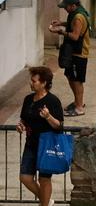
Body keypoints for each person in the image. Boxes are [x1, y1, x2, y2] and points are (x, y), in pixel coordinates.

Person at [17, 66, 64, 206]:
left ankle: (44, 203)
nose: (31, 83)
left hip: (46, 145)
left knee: (44, 180)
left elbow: (59, 126)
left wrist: (48, 117)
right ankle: (46, 201)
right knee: (25, 177)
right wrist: (21, 126)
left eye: (34, 81)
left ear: (43, 83)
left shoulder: (53, 101)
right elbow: (24, 119)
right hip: (31, 144)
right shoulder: (28, 99)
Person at [49, 0, 90, 116]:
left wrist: (60, 31)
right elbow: (71, 25)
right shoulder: (76, 13)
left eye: (66, 7)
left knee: (77, 80)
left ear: (73, 6)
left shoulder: (78, 17)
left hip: (79, 53)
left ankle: (79, 107)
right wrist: (61, 23)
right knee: (70, 76)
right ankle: (77, 101)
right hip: (72, 52)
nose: (65, 9)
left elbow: (75, 36)